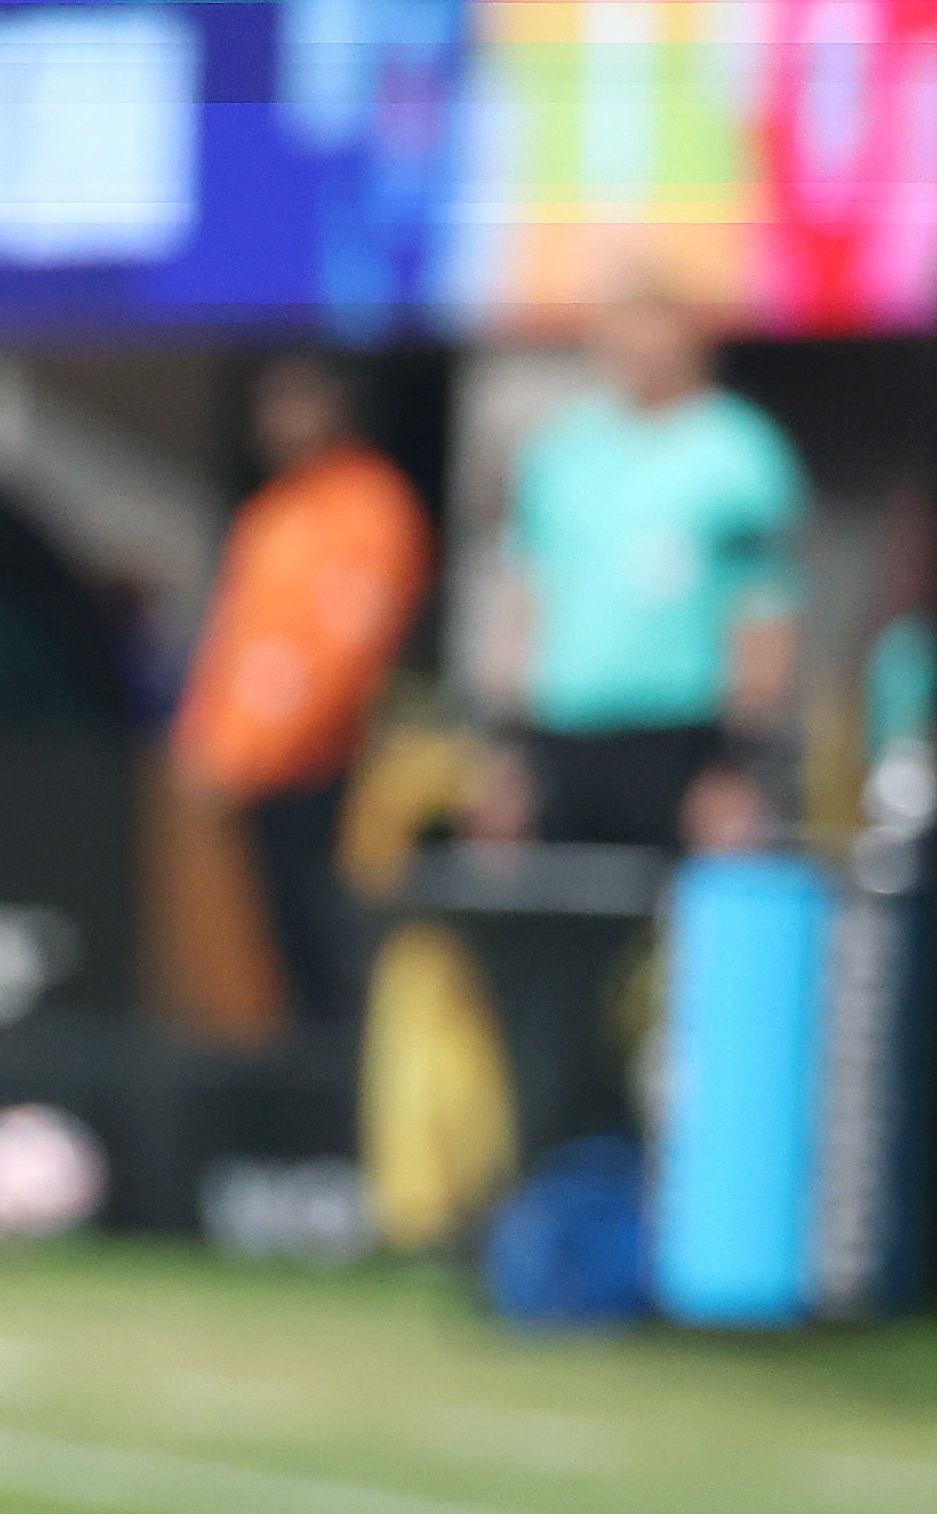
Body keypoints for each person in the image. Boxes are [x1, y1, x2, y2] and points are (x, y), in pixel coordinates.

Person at [480, 269, 805, 855]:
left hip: (679, 734)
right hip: (567, 734)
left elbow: (764, 612)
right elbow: (529, 596)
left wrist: (739, 763)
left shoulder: (738, 453)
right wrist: (510, 759)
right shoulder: (560, 452)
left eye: (650, 331)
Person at [171, 354, 429, 1030]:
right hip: (252, 782)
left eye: (298, 401)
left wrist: (257, 751)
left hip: (329, 771)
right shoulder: (269, 515)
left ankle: (344, 1107)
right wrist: (205, 746)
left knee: (335, 949)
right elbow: (232, 643)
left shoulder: (371, 505)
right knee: (271, 957)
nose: (280, 421)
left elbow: (343, 657)